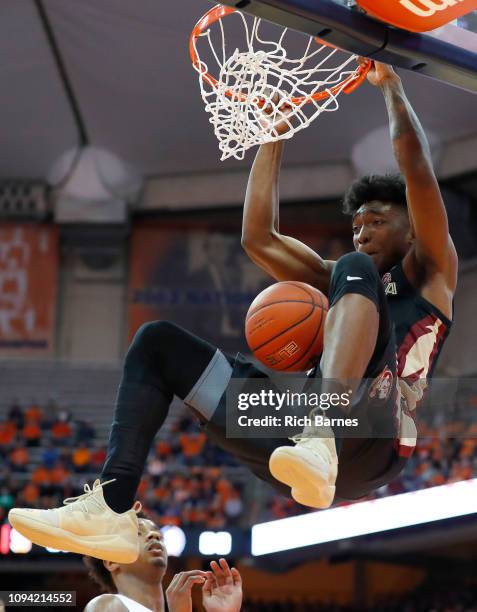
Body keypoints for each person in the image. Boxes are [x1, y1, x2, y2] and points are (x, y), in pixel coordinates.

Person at [8, 61, 457, 562]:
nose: (363, 233)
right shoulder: (347, 276)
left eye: (376, 221)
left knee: (352, 270)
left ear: (412, 229)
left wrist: (393, 87)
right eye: (356, 226)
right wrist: (273, 135)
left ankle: (321, 431)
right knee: (157, 344)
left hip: (377, 439)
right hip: (298, 446)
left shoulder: (432, 272)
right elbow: (258, 238)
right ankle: (111, 509)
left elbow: (415, 166)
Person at [84, 514, 242, 612]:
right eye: (137, 533)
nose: (153, 535)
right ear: (112, 561)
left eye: (159, 534)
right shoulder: (106, 605)